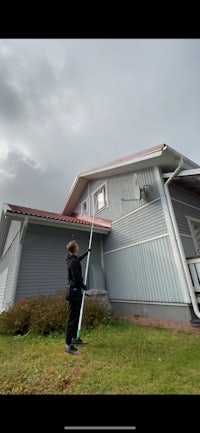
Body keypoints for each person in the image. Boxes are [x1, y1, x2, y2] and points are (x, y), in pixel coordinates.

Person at [65, 240, 90, 355]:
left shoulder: (71, 258)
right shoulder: (73, 262)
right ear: (75, 248)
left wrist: (86, 253)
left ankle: (75, 338)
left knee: (76, 317)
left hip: (75, 291)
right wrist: (84, 286)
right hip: (74, 292)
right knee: (71, 318)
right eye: (77, 245)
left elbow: (77, 259)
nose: (78, 246)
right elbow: (77, 276)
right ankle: (68, 345)